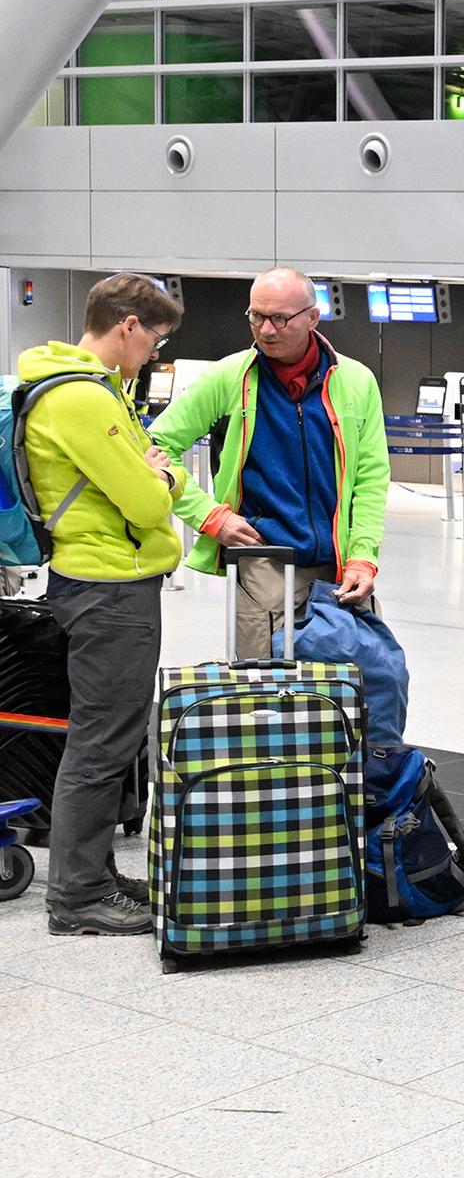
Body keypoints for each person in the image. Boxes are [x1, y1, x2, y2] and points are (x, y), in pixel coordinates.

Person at [18, 273, 185, 936]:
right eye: (155, 339)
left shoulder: (81, 388)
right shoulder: (83, 400)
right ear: (127, 325)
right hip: (109, 589)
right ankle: (77, 896)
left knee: (110, 742)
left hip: (102, 581)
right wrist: (165, 476)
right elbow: (146, 499)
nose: (154, 354)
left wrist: (149, 473)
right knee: (101, 744)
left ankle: (94, 875)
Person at [153, 267, 390, 661]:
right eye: (255, 316)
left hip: (340, 563)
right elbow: (156, 446)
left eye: (279, 318)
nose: (265, 330)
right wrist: (210, 517)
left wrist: (363, 556)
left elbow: (371, 478)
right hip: (263, 560)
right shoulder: (228, 377)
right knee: (265, 688)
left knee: (352, 685)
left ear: (313, 317)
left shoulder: (356, 381)